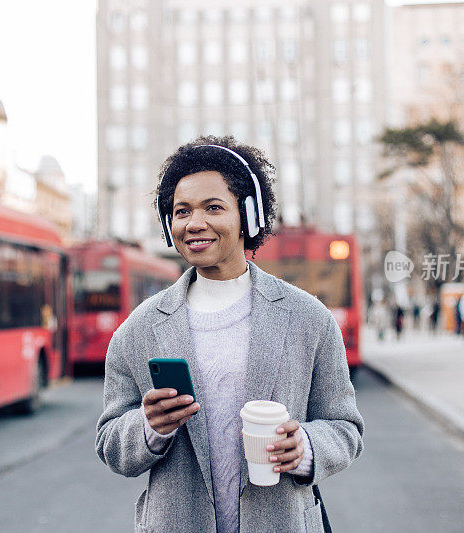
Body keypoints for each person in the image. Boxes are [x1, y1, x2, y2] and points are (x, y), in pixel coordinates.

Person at [96, 136, 364, 533]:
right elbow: (110, 442)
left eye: (213, 207)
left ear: (249, 216)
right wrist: (149, 426)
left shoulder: (309, 319)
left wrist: (305, 447)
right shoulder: (137, 331)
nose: (194, 223)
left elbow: (345, 428)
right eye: (181, 211)